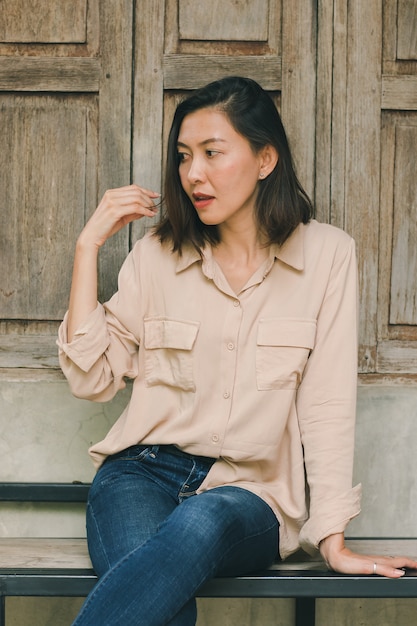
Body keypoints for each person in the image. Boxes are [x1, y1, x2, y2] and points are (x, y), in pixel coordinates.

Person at [58, 76, 417, 626]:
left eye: (211, 153)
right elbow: (91, 380)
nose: (192, 173)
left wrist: (333, 537)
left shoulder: (327, 256)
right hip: (141, 473)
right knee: (163, 608)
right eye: (183, 156)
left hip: (251, 494)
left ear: (265, 158)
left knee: (200, 522)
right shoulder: (157, 257)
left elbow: (326, 405)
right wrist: (88, 248)